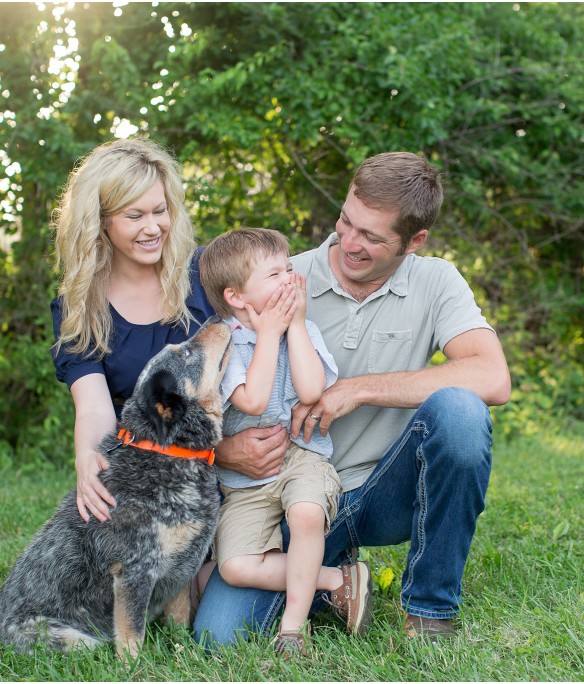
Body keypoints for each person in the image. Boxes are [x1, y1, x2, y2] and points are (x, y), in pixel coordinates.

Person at [192, 152, 511, 647]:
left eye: (373, 237)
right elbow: (201, 390)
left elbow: (492, 377)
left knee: (462, 412)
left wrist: (356, 390)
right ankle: (334, 579)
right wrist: (222, 451)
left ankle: (429, 611)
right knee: (220, 635)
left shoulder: (436, 281)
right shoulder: (278, 281)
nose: (350, 243)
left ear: (415, 241)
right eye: (346, 221)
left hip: (385, 490)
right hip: (285, 498)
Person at [198, 228, 371, 658]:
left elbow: (311, 391)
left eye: (290, 268)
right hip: (244, 480)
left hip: (301, 454)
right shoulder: (224, 337)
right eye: (276, 273)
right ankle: (335, 580)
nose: (291, 279)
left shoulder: (304, 328)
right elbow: (252, 399)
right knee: (235, 565)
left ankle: (293, 629)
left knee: (308, 513)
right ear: (236, 296)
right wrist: (269, 333)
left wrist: (293, 326)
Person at [49, 137, 214, 523]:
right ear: (101, 221)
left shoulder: (205, 274)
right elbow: (93, 406)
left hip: (225, 460)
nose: (153, 227)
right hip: (148, 472)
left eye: (160, 210)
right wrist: (89, 454)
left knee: (228, 580)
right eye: (134, 216)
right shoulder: (81, 307)